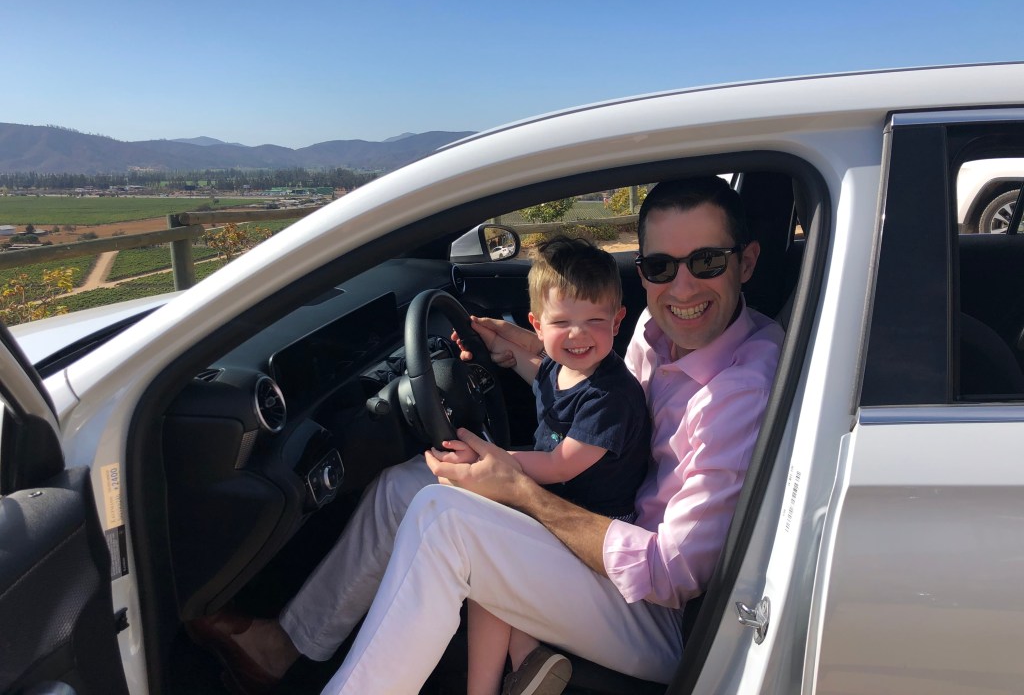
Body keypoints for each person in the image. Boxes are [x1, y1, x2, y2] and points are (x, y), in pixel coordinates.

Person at [188, 175, 784, 695]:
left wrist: (522, 492)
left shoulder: (740, 392)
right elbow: (607, 402)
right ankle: (285, 646)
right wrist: (533, 355)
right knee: (410, 484)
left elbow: (670, 574)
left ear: (748, 262)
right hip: (614, 535)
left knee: (446, 520)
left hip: (666, 615)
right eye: (660, 267)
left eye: (707, 262)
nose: (682, 288)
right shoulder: (659, 330)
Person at [440, 235, 651, 695]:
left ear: (618, 321)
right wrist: (497, 342)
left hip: (592, 530)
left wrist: (491, 459)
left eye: (594, 321)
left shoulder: (610, 396)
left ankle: (504, 672)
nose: (578, 335)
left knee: (490, 563)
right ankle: (526, 660)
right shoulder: (561, 368)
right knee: (493, 564)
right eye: (562, 323)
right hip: (555, 511)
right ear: (537, 324)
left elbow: (558, 466)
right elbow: (536, 371)